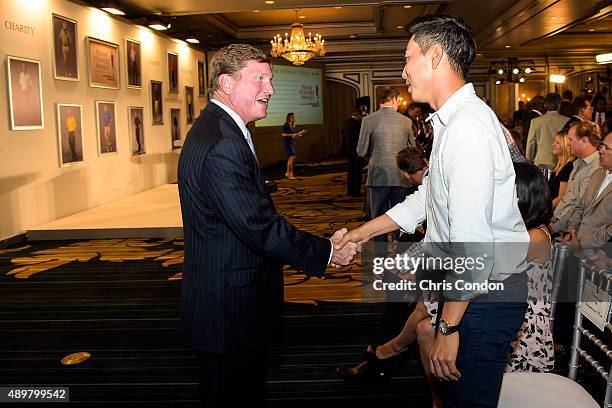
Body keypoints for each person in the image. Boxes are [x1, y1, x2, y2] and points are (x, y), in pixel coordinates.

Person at [336, 15, 530, 407]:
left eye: (409, 58)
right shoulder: (451, 121)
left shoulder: (467, 127)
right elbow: (426, 200)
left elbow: (473, 242)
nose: (403, 70)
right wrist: (361, 233)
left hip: (483, 297)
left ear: (436, 56)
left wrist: (448, 326)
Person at [177, 44, 358, 407]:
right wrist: (326, 252)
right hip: (230, 308)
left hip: (225, 297)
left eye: (271, 79)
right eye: (260, 78)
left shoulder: (218, 127)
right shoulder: (222, 142)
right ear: (226, 83)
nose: (271, 88)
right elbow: (258, 226)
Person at [357, 86, 416, 241]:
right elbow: (413, 150)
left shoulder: (368, 120)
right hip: (401, 177)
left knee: (377, 220)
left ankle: (381, 260)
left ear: (380, 101)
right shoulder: (406, 121)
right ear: (395, 99)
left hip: (378, 176)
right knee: (401, 218)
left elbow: (361, 151)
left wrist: (375, 157)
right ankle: (401, 255)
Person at [562, 130, 612, 250]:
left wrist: (581, 244)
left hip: (601, 253)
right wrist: (569, 234)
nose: (600, 150)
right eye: (601, 145)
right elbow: (580, 208)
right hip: (577, 245)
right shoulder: (598, 174)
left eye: (607, 148)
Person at [552, 121, 601, 233]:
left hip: (570, 230)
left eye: (570, 140)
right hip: (559, 223)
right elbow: (568, 199)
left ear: (584, 141)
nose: (568, 144)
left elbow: (580, 207)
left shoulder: (596, 167)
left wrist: (552, 228)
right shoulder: (578, 163)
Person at [526, 93, 570, 169]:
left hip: (541, 160)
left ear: (545, 105)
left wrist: (529, 160)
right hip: (561, 159)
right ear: (559, 105)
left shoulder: (535, 121)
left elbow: (531, 143)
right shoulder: (566, 121)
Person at [342, 108, 366, 196]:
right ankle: (356, 191)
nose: (362, 117)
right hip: (356, 151)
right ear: (357, 114)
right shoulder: (356, 124)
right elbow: (359, 138)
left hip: (349, 151)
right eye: (361, 115)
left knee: (351, 172)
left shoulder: (347, 122)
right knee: (356, 172)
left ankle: (350, 191)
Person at [549, 130, 575, 208]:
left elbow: (561, 197)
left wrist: (545, 211)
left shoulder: (569, 167)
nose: (553, 145)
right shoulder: (558, 166)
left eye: (557, 143)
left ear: (566, 145)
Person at [281, 112, 306, 179]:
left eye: (294, 117)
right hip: (287, 143)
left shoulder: (293, 125)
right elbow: (283, 134)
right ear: (289, 118)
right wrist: (292, 135)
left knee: (291, 158)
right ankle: (291, 174)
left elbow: (293, 135)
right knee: (292, 157)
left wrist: (298, 135)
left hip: (292, 143)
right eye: (292, 117)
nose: (294, 118)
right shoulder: (286, 125)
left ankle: (287, 173)